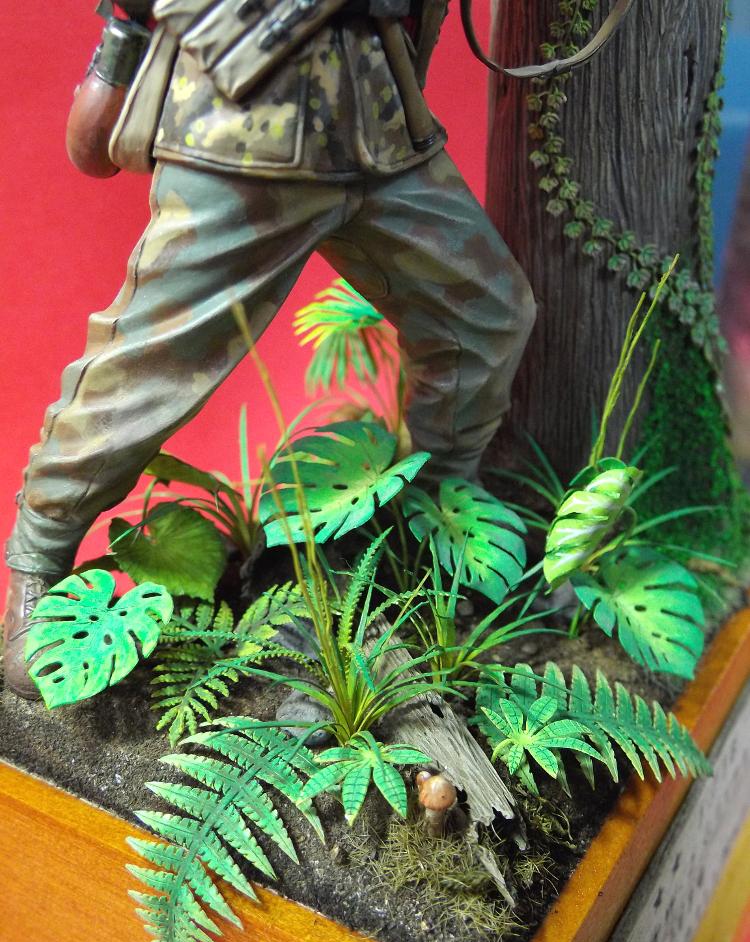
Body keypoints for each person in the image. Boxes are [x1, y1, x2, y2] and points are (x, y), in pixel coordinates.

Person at [2, 0, 537, 697]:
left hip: (376, 123)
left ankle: (431, 514)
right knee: (147, 370)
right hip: (242, 131)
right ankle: (38, 562)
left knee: (487, 315)